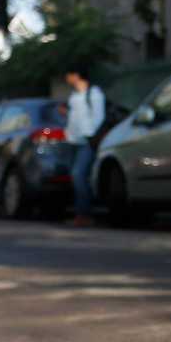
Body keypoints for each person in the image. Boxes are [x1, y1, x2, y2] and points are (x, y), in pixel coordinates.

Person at [63, 62, 106, 225]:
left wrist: (88, 133)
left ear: (75, 75)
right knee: (77, 177)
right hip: (73, 140)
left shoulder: (94, 93)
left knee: (79, 175)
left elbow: (98, 117)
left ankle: (84, 214)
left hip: (85, 142)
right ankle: (81, 212)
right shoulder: (75, 95)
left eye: (68, 75)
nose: (67, 79)